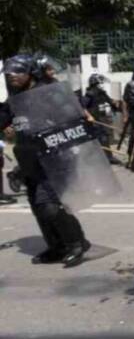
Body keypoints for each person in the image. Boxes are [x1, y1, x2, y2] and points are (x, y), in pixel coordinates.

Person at [2, 54, 92, 265]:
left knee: (49, 205)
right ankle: (56, 246)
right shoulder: (14, 97)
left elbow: (73, 119)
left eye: (17, 72)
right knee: (37, 207)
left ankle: (76, 243)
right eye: (8, 73)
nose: (11, 76)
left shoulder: (50, 92)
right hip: (29, 159)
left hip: (57, 158)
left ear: (31, 72)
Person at [82, 73, 123, 165]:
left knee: (105, 137)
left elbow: (110, 101)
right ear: (95, 84)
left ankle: (108, 157)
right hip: (94, 120)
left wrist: (116, 103)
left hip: (102, 118)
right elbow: (82, 107)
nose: (102, 85)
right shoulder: (90, 94)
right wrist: (89, 116)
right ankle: (101, 158)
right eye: (100, 83)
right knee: (98, 139)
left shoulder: (102, 93)